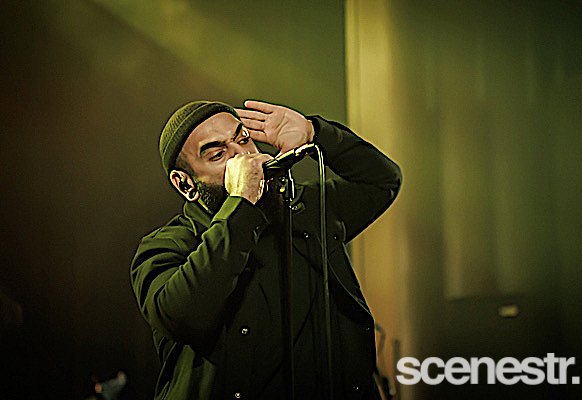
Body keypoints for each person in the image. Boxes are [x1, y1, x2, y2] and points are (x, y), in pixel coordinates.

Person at [130, 100, 401, 399]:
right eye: (218, 154)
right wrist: (241, 204)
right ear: (185, 184)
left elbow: (382, 181)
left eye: (243, 139)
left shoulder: (303, 209)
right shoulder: (167, 246)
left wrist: (315, 132)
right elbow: (182, 315)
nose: (244, 156)